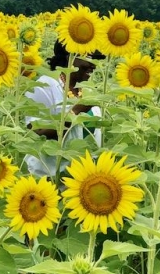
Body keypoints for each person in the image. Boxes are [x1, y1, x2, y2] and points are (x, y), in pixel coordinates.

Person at [24, 40, 104, 178]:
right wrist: (75, 111)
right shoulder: (43, 86)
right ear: (70, 57)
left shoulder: (87, 90)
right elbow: (37, 131)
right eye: (89, 58)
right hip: (47, 178)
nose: (93, 65)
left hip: (79, 180)